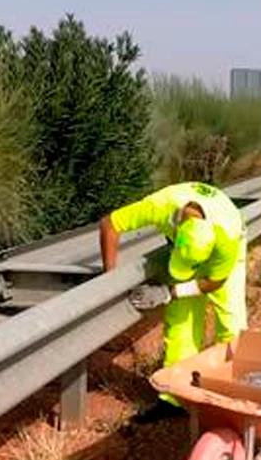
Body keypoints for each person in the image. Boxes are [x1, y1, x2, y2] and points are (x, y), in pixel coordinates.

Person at [99, 181, 248, 424]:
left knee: (231, 323)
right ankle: (174, 398)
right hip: (189, 244)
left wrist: (169, 292)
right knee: (181, 324)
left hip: (223, 258)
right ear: (179, 227)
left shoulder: (227, 235)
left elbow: (214, 282)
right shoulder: (161, 205)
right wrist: (110, 280)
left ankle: (229, 396)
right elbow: (110, 224)